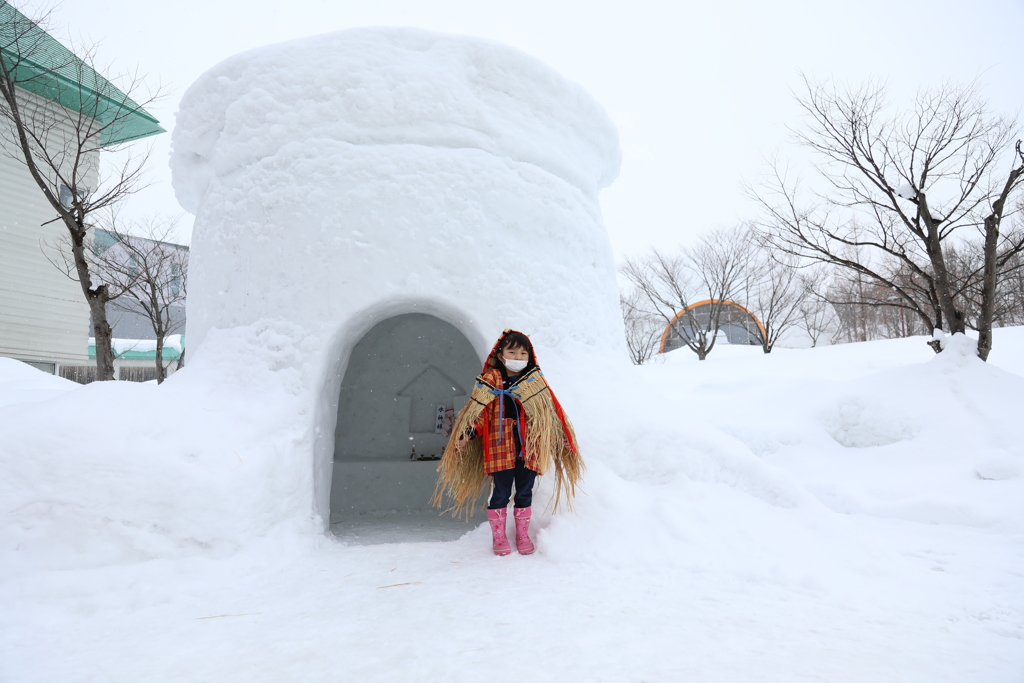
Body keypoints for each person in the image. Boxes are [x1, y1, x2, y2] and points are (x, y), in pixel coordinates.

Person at [433, 329, 584, 556]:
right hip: (499, 446)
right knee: (501, 492)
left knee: (525, 492)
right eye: (511, 352)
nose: (517, 357)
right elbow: (480, 414)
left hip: (529, 448)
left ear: (530, 356)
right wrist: (468, 433)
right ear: (501, 354)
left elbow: (547, 416)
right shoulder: (492, 381)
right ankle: (499, 536)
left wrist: (559, 436)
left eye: (523, 353)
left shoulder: (534, 382)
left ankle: (522, 535)